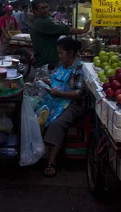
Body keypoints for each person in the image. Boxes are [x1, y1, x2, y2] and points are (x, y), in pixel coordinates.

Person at [40, 37, 85, 178]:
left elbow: (80, 93)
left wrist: (59, 93)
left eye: (61, 53)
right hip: (56, 100)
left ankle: (52, 162)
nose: (59, 56)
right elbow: (56, 79)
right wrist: (46, 81)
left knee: (56, 123)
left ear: (70, 52)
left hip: (72, 104)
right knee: (38, 116)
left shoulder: (79, 67)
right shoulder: (62, 64)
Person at [30, 0, 91, 69]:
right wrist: (84, 30)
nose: (46, 10)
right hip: (46, 63)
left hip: (43, 61)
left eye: (46, 7)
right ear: (35, 11)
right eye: (42, 8)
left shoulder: (38, 21)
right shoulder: (42, 23)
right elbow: (65, 30)